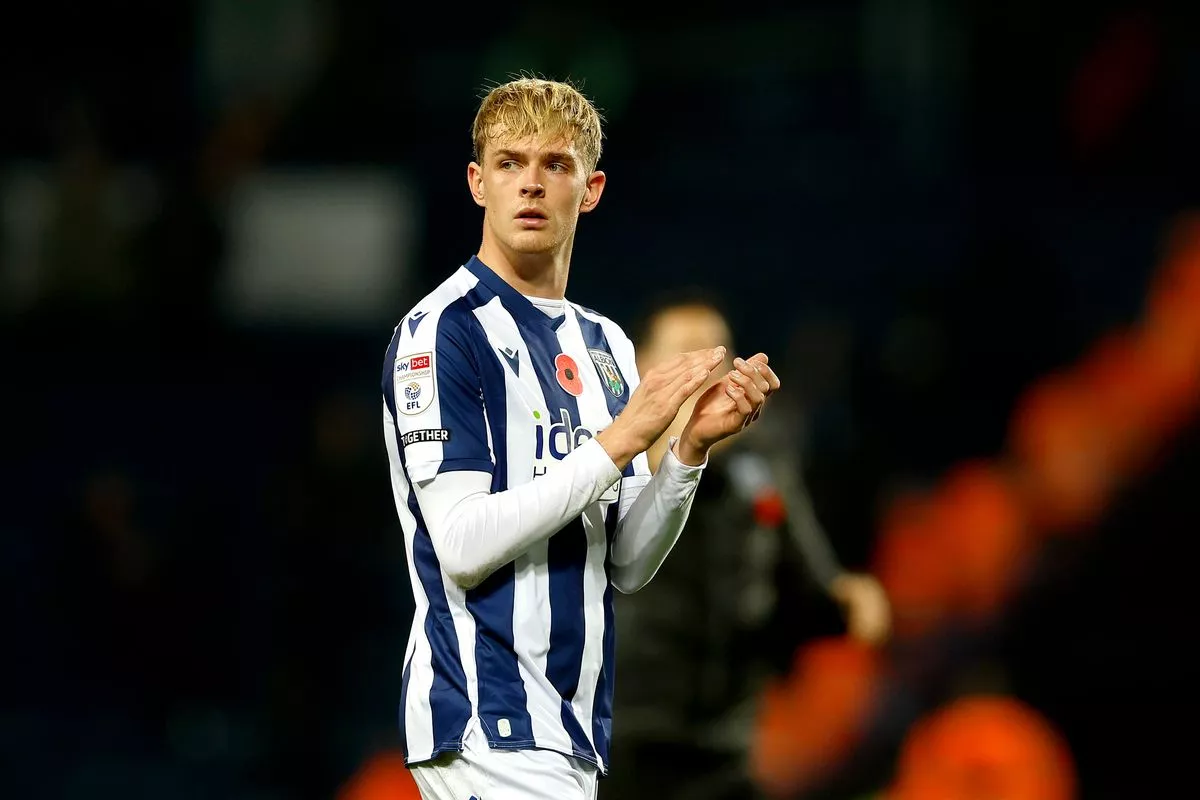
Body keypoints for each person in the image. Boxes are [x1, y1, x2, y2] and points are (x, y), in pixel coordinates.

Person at [379, 76, 781, 800]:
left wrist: (688, 450)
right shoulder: (443, 334)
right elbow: (463, 545)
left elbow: (625, 561)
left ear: (589, 189)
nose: (530, 184)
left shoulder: (606, 346)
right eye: (509, 164)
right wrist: (623, 437)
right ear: (477, 183)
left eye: (554, 165)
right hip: (485, 719)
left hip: (571, 731)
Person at [602, 293, 891, 800]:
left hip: (725, 747)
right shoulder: (605, 466)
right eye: (687, 354)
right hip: (619, 741)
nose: (707, 372)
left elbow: (808, 584)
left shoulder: (760, 476)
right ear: (642, 368)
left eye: (718, 355)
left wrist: (847, 599)